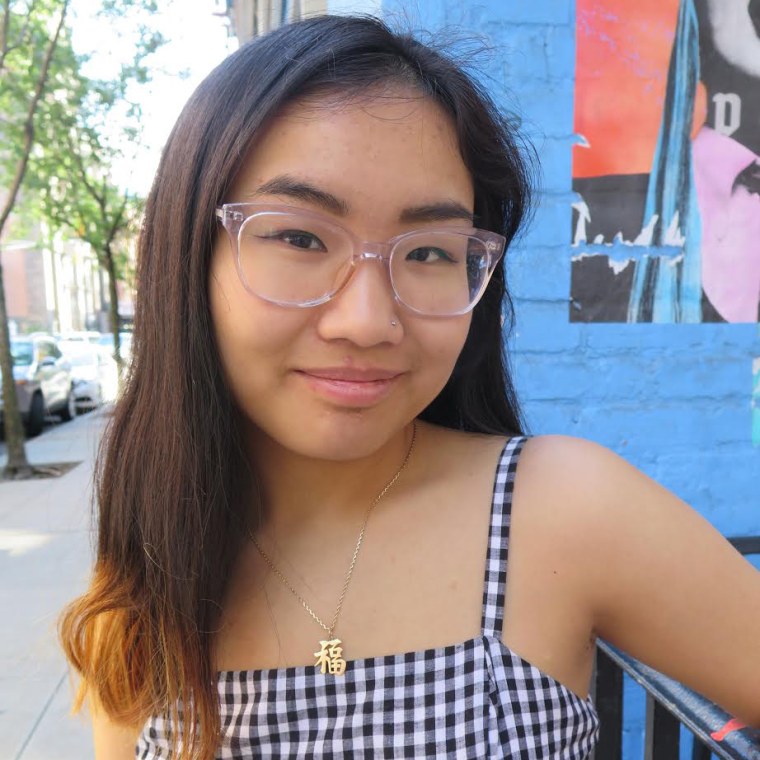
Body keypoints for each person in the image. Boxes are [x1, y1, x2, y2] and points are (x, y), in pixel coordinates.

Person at [59, 14, 760, 760]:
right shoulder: (147, 575)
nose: (366, 321)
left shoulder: (561, 513)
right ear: (187, 255)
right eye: (299, 237)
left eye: (428, 250)